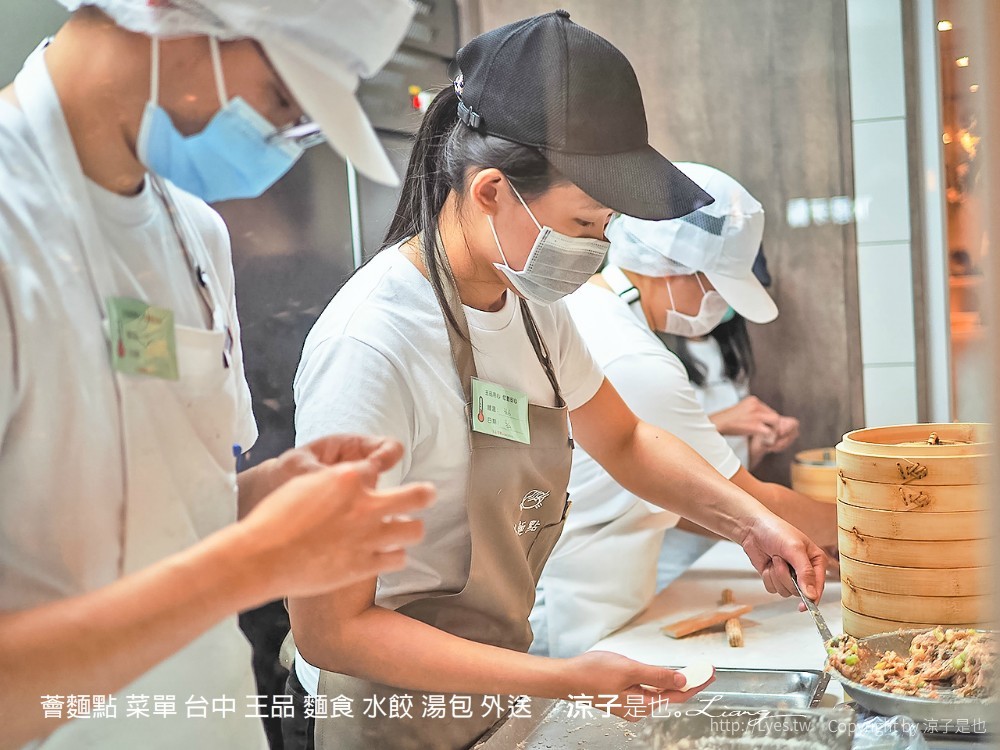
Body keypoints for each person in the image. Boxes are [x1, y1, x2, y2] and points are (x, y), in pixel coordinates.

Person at [285, 14, 827, 750]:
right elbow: (329, 629)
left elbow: (626, 439)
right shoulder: (373, 344)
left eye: (605, 227)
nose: (597, 250)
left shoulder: (534, 306)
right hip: (379, 715)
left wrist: (748, 521)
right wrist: (565, 679)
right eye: (583, 221)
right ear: (490, 192)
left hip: (492, 689)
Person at [0, 1, 434, 747]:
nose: (281, 144)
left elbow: (158, 519)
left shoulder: (195, 232)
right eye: (280, 102)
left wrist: (264, 502)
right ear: (169, 12)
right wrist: (255, 561)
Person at [529, 164, 838, 659]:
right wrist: (881, 528)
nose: (718, 306)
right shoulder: (632, 358)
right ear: (671, 265)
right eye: (716, 288)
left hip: (599, 599)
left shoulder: (587, 310)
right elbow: (748, 500)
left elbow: (681, 499)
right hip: (579, 609)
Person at [662, 248, 799, 471]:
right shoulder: (655, 354)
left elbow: (738, 463)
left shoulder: (729, 352)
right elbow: (654, 447)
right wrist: (721, 422)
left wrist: (762, 441)